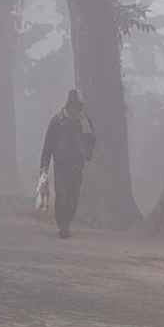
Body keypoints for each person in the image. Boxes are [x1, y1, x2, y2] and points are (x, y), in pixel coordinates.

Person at [40, 89, 95, 239]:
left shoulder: (84, 122)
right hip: (61, 165)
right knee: (61, 194)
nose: (76, 109)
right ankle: (62, 225)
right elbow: (48, 145)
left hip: (77, 165)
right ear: (69, 105)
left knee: (73, 196)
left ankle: (67, 222)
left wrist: (88, 153)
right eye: (74, 106)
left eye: (78, 106)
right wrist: (44, 166)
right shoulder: (57, 121)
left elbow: (91, 140)